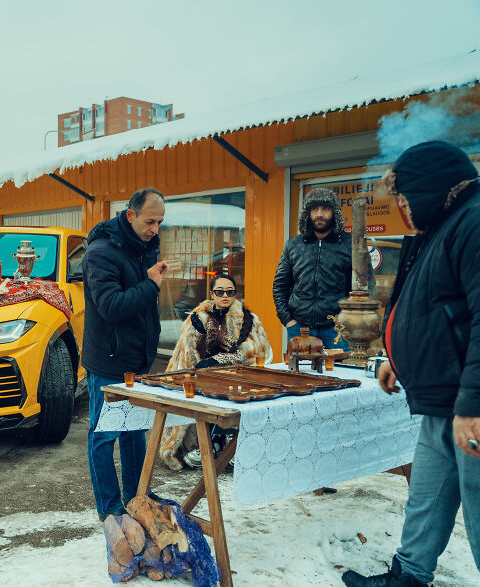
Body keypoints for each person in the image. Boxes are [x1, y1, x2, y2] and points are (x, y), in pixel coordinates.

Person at [341, 140, 480, 586]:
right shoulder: (438, 229)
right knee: (426, 498)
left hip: (469, 404)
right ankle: (409, 576)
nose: (400, 207)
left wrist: (474, 404)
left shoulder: (475, 222)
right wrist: (396, 358)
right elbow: (431, 311)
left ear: (429, 189)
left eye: (403, 197)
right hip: (443, 398)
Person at [82, 187, 169, 521]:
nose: (155, 229)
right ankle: (110, 507)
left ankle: (138, 495)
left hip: (137, 358)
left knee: (135, 430)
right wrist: (150, 284)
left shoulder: (145, 246)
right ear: (131, 215)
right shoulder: (101, 253)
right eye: (150, 221)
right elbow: (111, 306)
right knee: (104, 436)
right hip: (108, 359)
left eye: (159, 222)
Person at [158, 272, 273, 470]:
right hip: (203, 376)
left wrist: (218, 360)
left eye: (229, 292)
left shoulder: (248, 319)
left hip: (236, 376)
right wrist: (202, 342)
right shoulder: (198, 317)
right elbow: (188, 353)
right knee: (194, 390)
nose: (225, 296)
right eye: (219, 292)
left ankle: (229, 441)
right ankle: (203, 444)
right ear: (212, 294)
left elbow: (252, 353)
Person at [272, 187, 352, 350]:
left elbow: (363, 288)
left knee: (339, 368)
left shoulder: (349, 244)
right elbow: (280, 286)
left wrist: (348, 321)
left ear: (335, 212)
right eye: (314, 209)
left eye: (325, 209)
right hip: (300, 328)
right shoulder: (293, 245)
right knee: (300, 368)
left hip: (338, 330)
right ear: (307, 213)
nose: (319, 214)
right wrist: (288, 320)